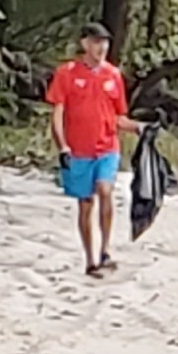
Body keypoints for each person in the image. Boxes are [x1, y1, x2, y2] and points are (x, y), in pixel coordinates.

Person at [40, 24, 137, 277]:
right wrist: (62, 145)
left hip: (107, 147)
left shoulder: (113, 75)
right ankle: (90, 259)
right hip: (78, 151)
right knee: (85, 203)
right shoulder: (67, 73)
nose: (101, 47)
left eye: (105, 42)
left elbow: (119, 117)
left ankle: (106, 250)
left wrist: (139, 128)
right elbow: (57, 114)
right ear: (85, 44)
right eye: (96, 42)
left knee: (106, 190)